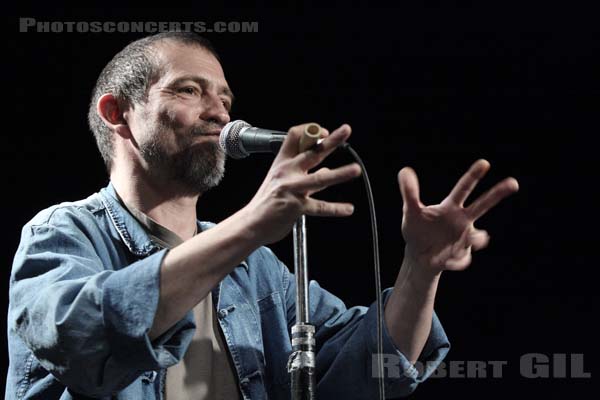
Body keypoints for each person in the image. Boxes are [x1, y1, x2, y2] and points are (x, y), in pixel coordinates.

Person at [5, 32, 519, 400]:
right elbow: (79, 336)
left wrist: (421, 269)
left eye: (225, 97)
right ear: (116, 113)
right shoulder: (63, 233)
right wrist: (252, 223)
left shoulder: (257, 272)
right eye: (190, 90)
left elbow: (366, 370)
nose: (221, 112)